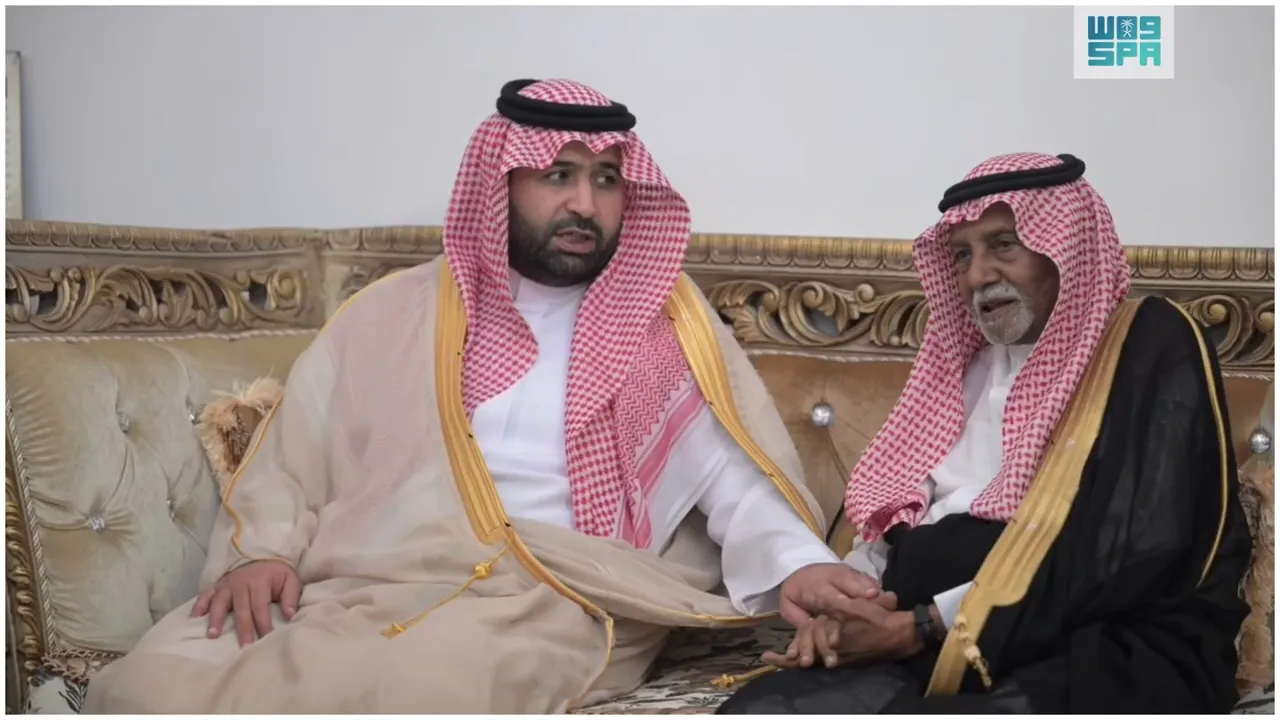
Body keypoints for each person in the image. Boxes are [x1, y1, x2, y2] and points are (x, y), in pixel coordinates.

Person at [84, 79, 875, 714]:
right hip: (371, 576)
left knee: (411, 689)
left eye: (606, 180)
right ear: (501, 182)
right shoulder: (394, 314)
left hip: (559, 592)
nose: (586, 204)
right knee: (156, 681)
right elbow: (295, 454)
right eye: (558, 176)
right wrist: (259, 553)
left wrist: (800, 566)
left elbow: (733, 480)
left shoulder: (660, 323)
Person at [716, 152, 1252, 714]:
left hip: (1088, 642)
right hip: (921, 632)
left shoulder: (1148, 341)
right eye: (962, 255)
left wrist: (925, 624)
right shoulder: (961, 365)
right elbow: (900, 518)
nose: (977, 275)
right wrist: (849, 608)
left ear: (1065, 249)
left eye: (1004, 245)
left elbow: (1133, 550)